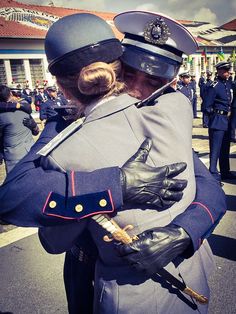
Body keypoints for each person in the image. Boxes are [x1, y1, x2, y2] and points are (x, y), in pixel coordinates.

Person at [0, 12, 225, 314]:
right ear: (115, 68)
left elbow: (208, 185)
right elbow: (15, 196)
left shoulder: (165, 111)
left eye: (153, 81)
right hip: (89, 265)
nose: (137, 90)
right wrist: (118, 183)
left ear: (169, 81)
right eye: (129, 75)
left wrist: (183, 232)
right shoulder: (70, 118)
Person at [203, 61, 236, 182]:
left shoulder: (228, 84)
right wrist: (215, 114)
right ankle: (213, 173)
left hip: (227, 121)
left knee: (225, 148)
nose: (228, 73)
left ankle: (225, 172)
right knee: (215, 148)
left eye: (229, 70)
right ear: (219, 71)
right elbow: (206, 105)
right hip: (217, 120)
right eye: (226, 71)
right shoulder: (214, 86)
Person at [0, 85, 36, 173]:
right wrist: (34, 125)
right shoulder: (24, 109)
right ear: (11, 94)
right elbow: (36, 131)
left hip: (13, 157)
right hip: (31, 153)